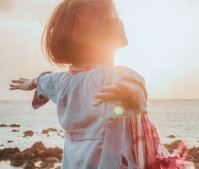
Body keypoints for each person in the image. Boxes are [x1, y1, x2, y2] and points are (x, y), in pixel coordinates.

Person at [9, 0, 164, 168]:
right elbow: (129, 80)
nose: (120, 21)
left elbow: (45, 81)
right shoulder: (111, 76)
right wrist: (131, 91)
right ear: (96, 32)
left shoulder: (63, 81)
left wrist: (31, 83)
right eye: (115, 17)